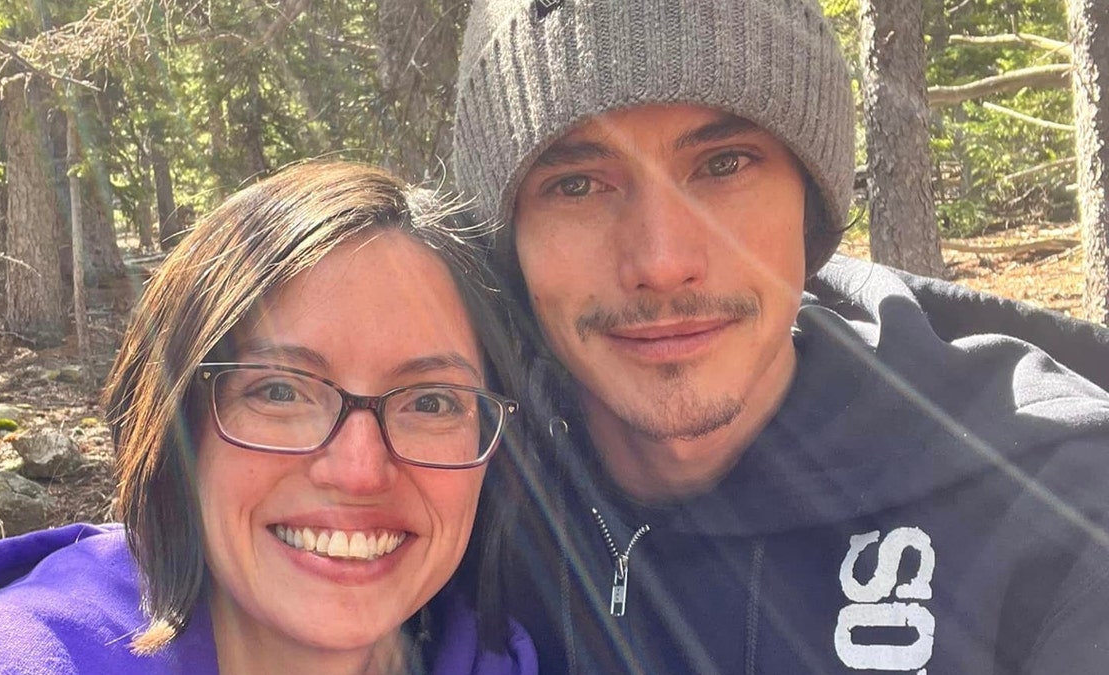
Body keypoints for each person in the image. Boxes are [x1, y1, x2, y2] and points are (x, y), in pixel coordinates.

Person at [450, 1, 1109, 674]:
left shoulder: (1057, 502)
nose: (660, 260)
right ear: (509, 246)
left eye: (724, 164)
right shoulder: (434, 490)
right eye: (578, 184)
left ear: (810, 203)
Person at [0, 161, 537, 675]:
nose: (360, 471)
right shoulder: (9, 657)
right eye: (281, 392)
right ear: (177, 427)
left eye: (430, 402)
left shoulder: (505, 648)